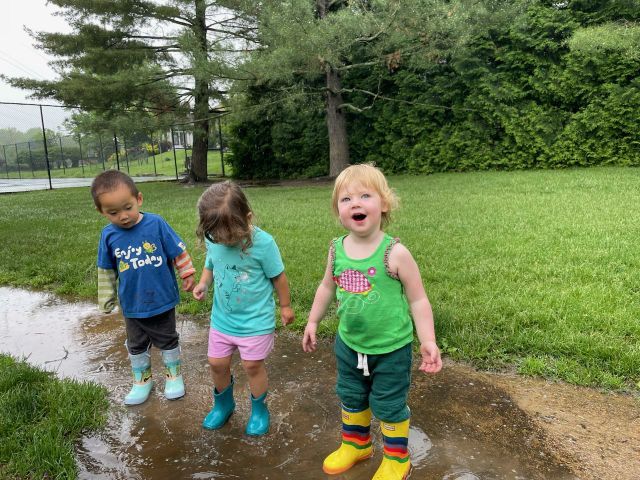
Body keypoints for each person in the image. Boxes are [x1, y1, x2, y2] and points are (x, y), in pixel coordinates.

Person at [302, 164, 442, 480]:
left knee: (388, 403)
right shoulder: (336, 250)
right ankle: (357, 444)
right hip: (349, 344)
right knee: (350, 395)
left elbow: (418, 299)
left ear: (384, 204)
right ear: (337, 210)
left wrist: (428, 340)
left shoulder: (395, 253)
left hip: (391, 348)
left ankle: (396, 457)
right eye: (346, 198)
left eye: (365, 195)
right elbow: (326, 287)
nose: (355, 203)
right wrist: (312, 321)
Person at [192, 181, 294, 436]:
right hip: (222, 319)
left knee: (252, 366)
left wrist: (285, 306)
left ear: (247, 218)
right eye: (217, 235)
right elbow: (211, 263)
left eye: (229, 235)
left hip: (255, 321)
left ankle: (259, 410)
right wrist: (204, 283)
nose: (224, 241)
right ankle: (223, 405)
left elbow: (278, 277)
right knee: (216, 362)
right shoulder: (214, 237)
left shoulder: (264, 243)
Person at [92, 170, 196, 406]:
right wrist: (106, 297)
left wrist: (187, 273)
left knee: (167, 339)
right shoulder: (108, 235)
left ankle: (174, 376)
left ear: (139, 199)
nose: (124, 216)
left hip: (162, 298)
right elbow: (106, 269)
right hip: (132, 302)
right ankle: (142, 381)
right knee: (136, 343)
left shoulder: (155, 224)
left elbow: (177, 252)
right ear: (101, 212)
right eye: (113, 212)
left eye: (127, 207)